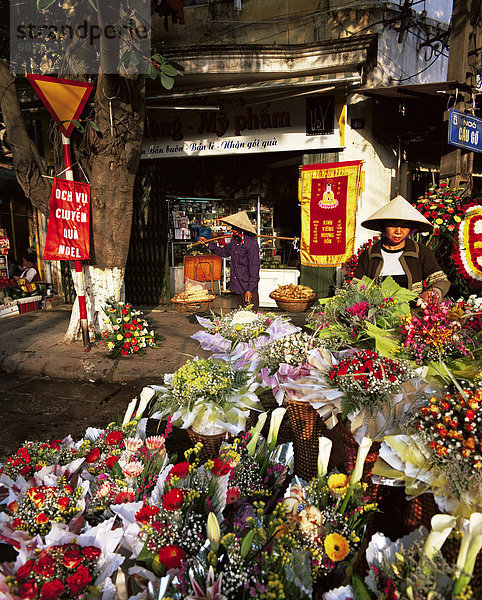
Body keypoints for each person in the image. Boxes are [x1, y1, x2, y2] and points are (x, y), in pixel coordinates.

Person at [352, 195, 450, 302]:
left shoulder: (420, 252)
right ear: (383, 227)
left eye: (404, 226)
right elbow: (355, 286)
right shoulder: (370, 254)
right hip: (378, 315)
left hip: (413, 314)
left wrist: (432, 292)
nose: (399, 231)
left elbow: (441, 280)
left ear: (411, 229)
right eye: (393, 226)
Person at [199, 210, 261, 311]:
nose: (232, 230)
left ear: (241, 229)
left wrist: (250, 290)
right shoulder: (235, 241)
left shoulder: (251, 244)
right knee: (239, 318)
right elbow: (223, 252)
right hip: (238, 286)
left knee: (250, 319)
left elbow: (254, 269)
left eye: (234, 228)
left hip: (248, 289)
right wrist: (208, 245)